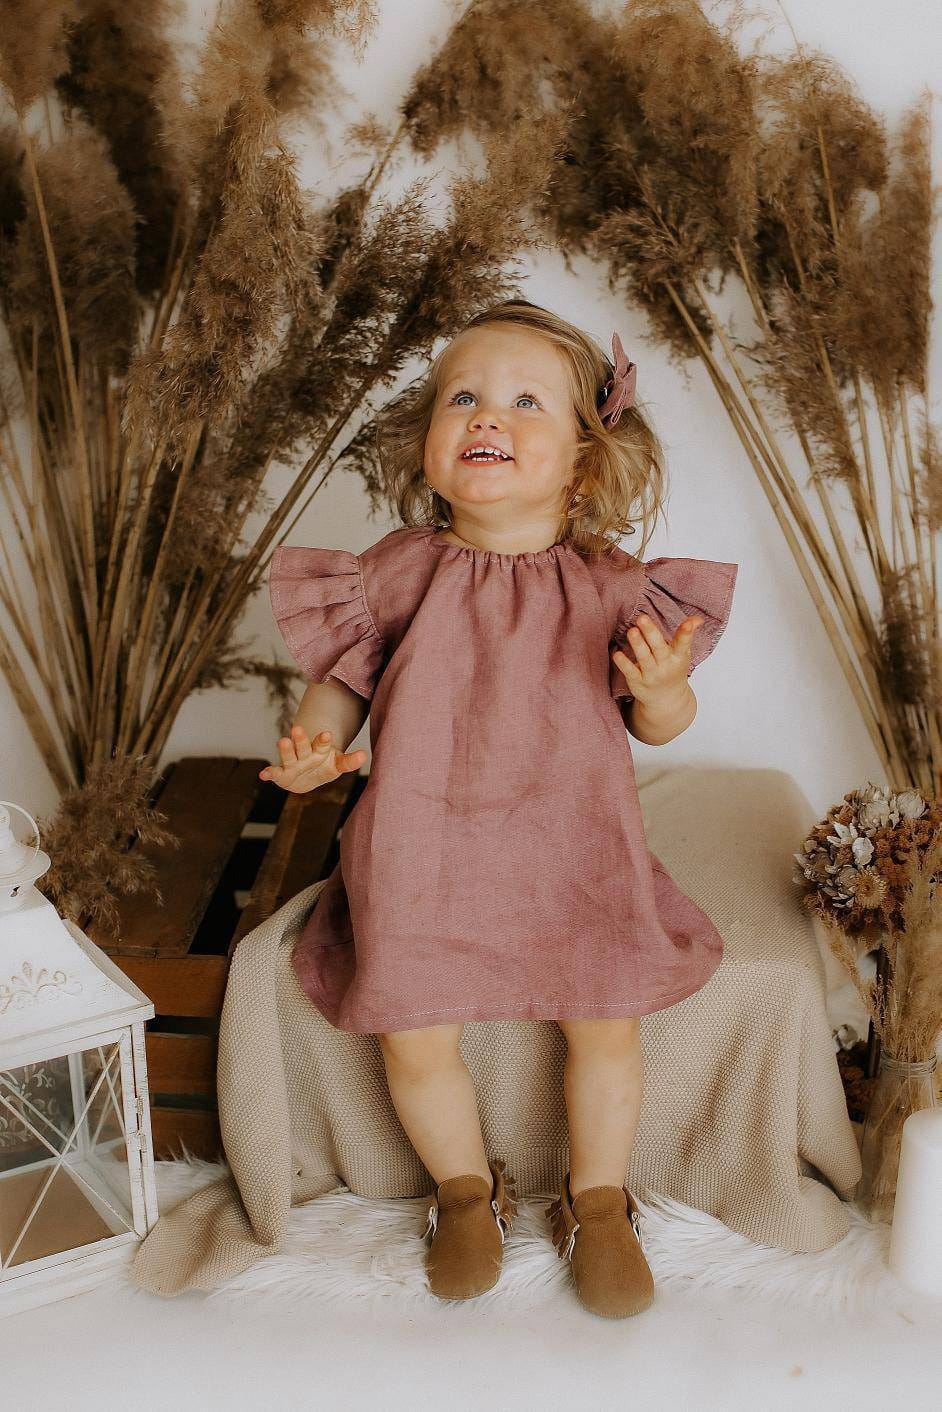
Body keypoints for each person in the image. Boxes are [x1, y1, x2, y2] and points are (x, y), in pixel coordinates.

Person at [264, 299, 739, 1319]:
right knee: (413, 1033)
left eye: (527, 401)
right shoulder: (395, 571)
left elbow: (659, 724)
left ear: (583, 462)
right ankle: (463, 1190)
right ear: (430, 444)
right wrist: (312, 746)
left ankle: (599, 1202)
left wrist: (662, 692)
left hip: (575, 848)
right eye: (463, 396)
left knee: (605, 1028)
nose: (488, 414)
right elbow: (340, 683)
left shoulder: (611, 586)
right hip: (421, 847)